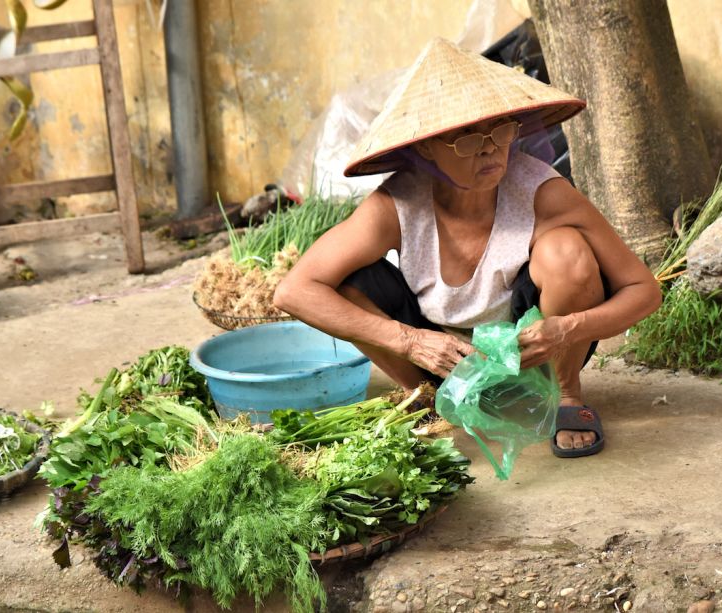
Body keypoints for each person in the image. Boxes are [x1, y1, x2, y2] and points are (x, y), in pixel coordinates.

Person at [273, 38, 662, 458]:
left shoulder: (543, 192)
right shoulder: (397, 204)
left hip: (532, 353)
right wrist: (409, 341)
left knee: (566, 250)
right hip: (438, 357)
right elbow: (293, 291)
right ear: (426, 146)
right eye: (465, 136)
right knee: (347, 278)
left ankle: (567, 396)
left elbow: (644, 290)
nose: (490, 147)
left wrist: (567, 329)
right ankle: (422, 397)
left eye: (500, 128)